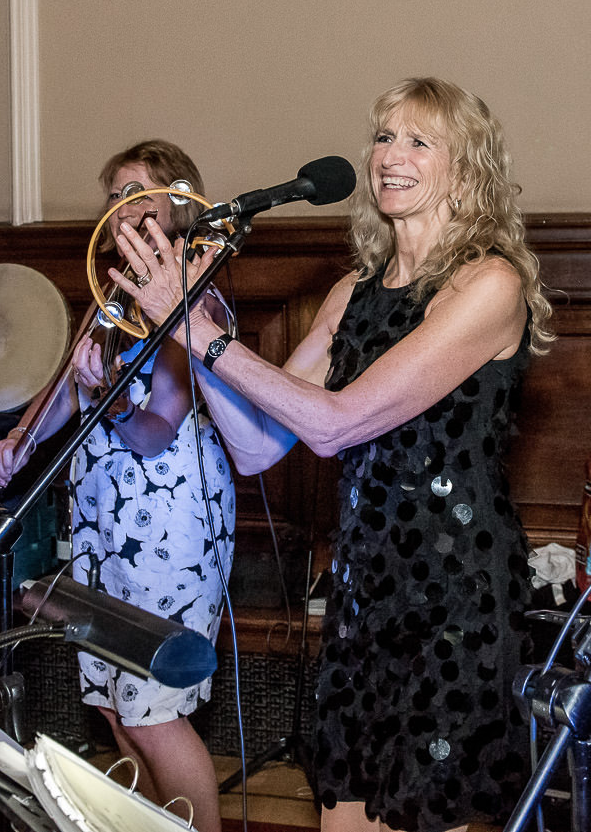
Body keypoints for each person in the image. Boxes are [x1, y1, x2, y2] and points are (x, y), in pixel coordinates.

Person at [113, 78, 555, 832]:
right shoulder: (353, 289)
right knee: (343, 815)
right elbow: (257, 446)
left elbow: (335, 424)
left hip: (452, 598)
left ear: (467, 166)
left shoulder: (489, 283)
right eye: (384, 137)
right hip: (363, 594)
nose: (392, 155)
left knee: (419, 815)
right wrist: (199, 326)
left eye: (419, 140)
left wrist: (196, 330)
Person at [0, 139, 236, 832]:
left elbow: (155, 426)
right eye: (114, 195)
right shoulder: (115, 290)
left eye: (136, 193)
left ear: (178, 203)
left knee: (154, 712)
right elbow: (72, 383)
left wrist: (108, 400)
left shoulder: (194, 294)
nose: (120, 208)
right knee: (114, 705)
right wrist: (20, 440)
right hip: (104, 513)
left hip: (167, 516)